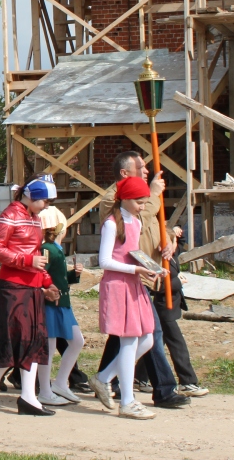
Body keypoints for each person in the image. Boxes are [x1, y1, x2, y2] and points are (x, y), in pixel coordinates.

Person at [96, 151, 189, 409]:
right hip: (123, 282)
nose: (147, 171)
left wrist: (168, 241)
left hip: (141, 279)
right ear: (125, 175)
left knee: (141, 338)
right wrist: (155, 196)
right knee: (139, 337)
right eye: (141, 167)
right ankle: (152, 392)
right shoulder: (113, 205)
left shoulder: (138, 207)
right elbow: (133, 225)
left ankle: (105, 379)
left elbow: (149, 228)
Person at [0, 177, 62, 416]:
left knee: (31, 341)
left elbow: (35, 255)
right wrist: (27, 261)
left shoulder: (34, 218)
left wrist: (47, 281)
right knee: (19, 340)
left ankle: (22, 393)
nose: (46, 205)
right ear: (32, 196)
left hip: (32, 287)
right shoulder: (11, 214)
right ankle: (19, 393)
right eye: (44, 200)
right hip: (13, 288)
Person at [89, 176, 161, 419]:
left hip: (133, 284)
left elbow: (134, 253)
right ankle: (128, 401)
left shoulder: (136, 221)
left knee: (147, 339)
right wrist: (135, 269)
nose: (143, 206)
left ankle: (104, 377)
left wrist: (150, 267)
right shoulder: (111, 223)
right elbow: (104, 261)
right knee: (129, 342)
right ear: (127, 199)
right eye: (140, 202)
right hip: (119, 285)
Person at [36, 206, 84, 406]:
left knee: (77, 341)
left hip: (62, 303)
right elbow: (39, 275)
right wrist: (44, 292)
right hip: (52, 304)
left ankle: (60, 383)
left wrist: (74, 275)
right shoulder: (48, 249)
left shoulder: (55, 248)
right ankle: (45, 390)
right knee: (49, 346)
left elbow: (58, 276)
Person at [154, 229, 209, 397]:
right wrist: (178, 281)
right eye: (172, 243)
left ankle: (139, 377)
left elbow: (180, 245)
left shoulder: (172, 255)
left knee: (154, 346)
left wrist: (177, 231)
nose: (175, 246)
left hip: (173, 306)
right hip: (164, 308)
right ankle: (188, 382)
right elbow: (159, 285)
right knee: (178, 346)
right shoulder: (160, 260)